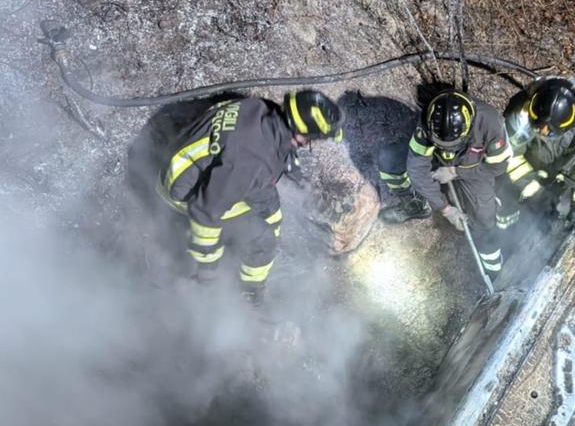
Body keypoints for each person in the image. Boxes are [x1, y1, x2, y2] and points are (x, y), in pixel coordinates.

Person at [155, 90, 343, 304]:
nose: (312, 143)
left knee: (271, 208)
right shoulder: (252, 161)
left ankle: (255, 251)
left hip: (201, 163)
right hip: (185, 190)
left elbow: (256, 157)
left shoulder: (260, 108)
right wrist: (207, 268)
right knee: (263, 240)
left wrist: (288, 164)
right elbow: (205, 211)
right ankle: (250, 292)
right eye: (312, 139)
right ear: (300, 134)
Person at [378, 89, 513, 281]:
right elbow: (416, 168)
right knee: (389, 160)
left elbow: (498, 166)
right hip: (436, 158)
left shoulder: (489, 122)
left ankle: (494, 271)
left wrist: (456, 171)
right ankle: (417, 203)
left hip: (473, 168)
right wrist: (446, 209)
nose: (448, 151)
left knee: (484, 219)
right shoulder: (429, 121)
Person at [502, 75, 575, 240]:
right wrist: (536, 195)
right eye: (540, 127)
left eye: (550, 131)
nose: (543, 132)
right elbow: (511, 157)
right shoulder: (522, 110)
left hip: (569, 164)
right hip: (537, 168)